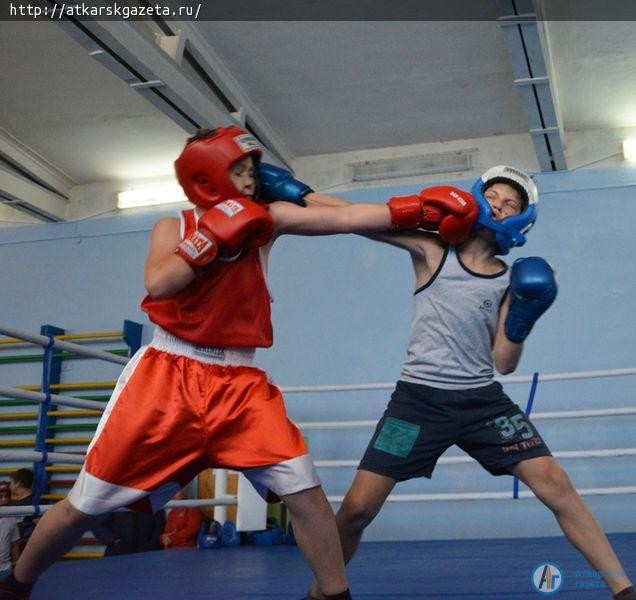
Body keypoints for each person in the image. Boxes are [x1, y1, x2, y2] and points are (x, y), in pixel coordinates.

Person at [0, 125, 477, 600]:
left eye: (253, 170)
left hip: (240, 385)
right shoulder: (175, 226)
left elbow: (349, 217)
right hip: (167, 377)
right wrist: (210, 237)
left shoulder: (269, 222)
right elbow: (160, 283)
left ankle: (332, 595)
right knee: (86, 503)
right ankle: (18, 583)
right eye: (240, 170)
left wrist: (412, 209)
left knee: (304, 490)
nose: (251, 179)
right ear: (207, 177)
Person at [304, 165, 636, 600]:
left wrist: (522, 321)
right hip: (417, 403)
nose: (499, 205)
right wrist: (300, 193)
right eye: (493, 196)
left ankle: (623, 590)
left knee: (556, 484)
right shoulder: (431, 249)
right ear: (476, 196)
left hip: (483, 405)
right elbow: (354, 217)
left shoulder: (511, 280)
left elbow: (504, 362)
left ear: (520, 220)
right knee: (357, 510)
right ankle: (322, 593)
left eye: (510, 204)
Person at [92, 510, 165, 556]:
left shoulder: (154, 499)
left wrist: (152, 544)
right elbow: (99, 526)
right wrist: (115, 541)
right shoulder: (115, 500)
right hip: (118, 554)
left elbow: (160, 525)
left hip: (148, 555)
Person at [8, 471, 35, 556]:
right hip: (13, 547)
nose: (10, 486)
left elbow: (40, 525)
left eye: (11, 482)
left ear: (18, 484)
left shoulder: (35, 502)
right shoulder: (13, 504)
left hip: (28, 548)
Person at [0, 484, 19, 581]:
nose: (3, 499)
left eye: (6, 496)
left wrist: (16, 563)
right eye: (0, 497)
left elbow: (14, 544)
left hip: (5, 568)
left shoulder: (11, 518)